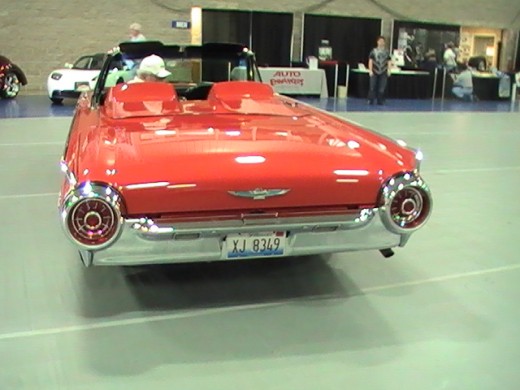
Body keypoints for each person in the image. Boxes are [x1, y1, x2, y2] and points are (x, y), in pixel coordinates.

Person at [368, 36, 392, 105]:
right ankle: (371, 100)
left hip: (383, 71)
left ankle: (380, 100)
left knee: (382, 87)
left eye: (382, 41)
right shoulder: (373, 51)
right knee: (372, 86)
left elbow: (389, 61)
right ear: (377, 42)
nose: (381, 43)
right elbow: (370, 61)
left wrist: (389, 70)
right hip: (374, 71)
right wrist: (370, 70)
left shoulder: (387, 52)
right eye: (380, 41)